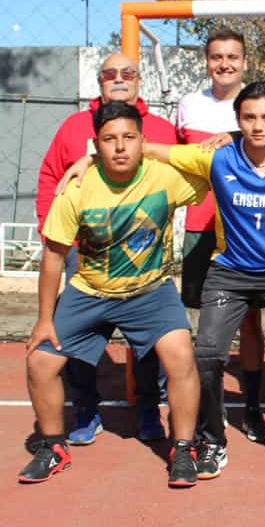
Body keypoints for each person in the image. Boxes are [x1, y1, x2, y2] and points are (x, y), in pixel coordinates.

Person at [143, 81, 265, 482]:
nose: (258, 125)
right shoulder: (217, 158)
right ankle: (212, 442)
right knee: (207, 355)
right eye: (248, 117)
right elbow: (155, 150)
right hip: (230, 272)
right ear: (237, 121)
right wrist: (90, 158)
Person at [20, 101, 207, 487]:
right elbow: (54, 257)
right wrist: (43, 320)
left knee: (181, 354)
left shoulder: (165, 177)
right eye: (109, 140)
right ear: (96, 144)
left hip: (151, 291)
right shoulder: (76, 188)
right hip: (89, 291)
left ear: (143, 141)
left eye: (129, 138)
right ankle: (53, 447)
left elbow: (215, 166)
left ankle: (184, 449)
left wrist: (158, 150)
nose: (120, 147)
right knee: (40, 361)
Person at [35, 51, 176, 445]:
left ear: (139, 80)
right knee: (78, 334)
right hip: (87, 248)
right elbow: (51, 178)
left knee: (149, 337)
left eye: (127, 73)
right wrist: (56, 233)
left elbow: (186, 165)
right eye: (109, 73)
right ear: (99, 80)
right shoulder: (73, 125)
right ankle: (85, 409)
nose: (118, 78)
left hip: (143, 251)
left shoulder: (162, 128)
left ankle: (149, 408)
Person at [176, 29, 265, 442]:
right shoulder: (189, 106)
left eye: (233, 56)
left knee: (250, 322)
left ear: (245, 61)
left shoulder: (258, 106)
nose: (225, 63)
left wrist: (233, 137)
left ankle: (251, 406)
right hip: (200, 226)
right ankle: (204, 405)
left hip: (246, 231)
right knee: (205, 328)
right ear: (207, 61)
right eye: (217, 56)